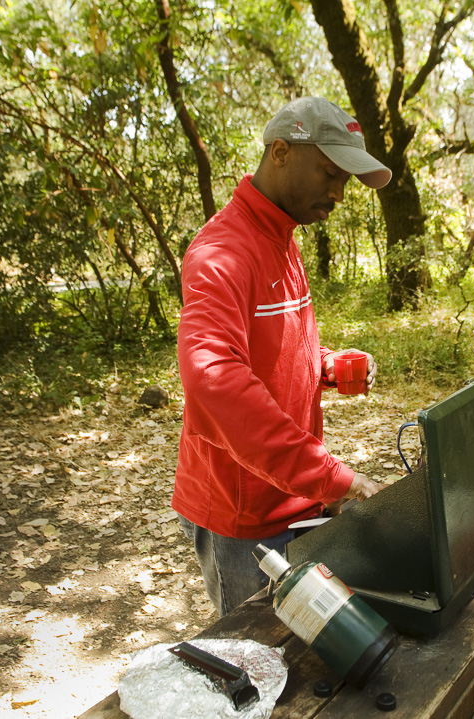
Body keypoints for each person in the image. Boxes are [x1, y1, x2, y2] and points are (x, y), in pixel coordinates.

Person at [172, 97, 391, 616]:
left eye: (346, 180)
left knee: (302, 646)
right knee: (255, 658)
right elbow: (215, 380)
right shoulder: (220, 254)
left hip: (293, 494)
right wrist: (336, 479)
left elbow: (272, 346)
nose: (338, 193)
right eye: (330, 173)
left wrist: (328, 365)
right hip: (243, 510)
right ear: (280, 151)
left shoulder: (282, 236)